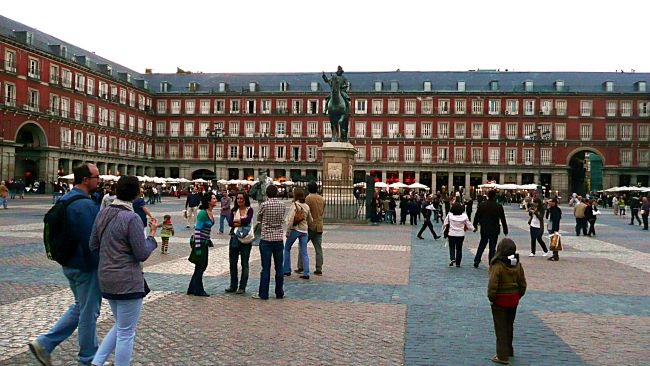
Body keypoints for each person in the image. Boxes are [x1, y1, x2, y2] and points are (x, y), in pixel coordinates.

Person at [29, 163, 101, 366]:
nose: (99, 180)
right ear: (85, 180)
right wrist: (99, 265)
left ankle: (45, 343)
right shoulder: (84, 205)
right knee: (89, 313)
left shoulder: (66, 199)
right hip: (84, 266)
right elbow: (91, 241)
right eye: (96, 177)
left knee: (80, 307)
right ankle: (89, 358)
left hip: (68, 262)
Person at [89, 175, 158, 366]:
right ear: (136, 194)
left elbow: (93, 244)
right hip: (127, 280)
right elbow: (142, 252)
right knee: (127, 332)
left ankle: (97, 362)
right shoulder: (132, 218)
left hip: (106, 277)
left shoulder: (102, 213)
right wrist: (152, 236)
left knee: (121, 325)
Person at [487, 238, 527, 365]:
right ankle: (509, 350)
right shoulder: (517, 264)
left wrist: (492, 298)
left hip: (500, 300)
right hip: (513, 299)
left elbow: (493, 285)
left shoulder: (497, 265)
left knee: (501, 328)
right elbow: (523, 284)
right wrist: (517, 295)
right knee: (509, 325)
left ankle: (502, 355)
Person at [254, 185, 286, 300]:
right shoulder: (282, 205)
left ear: (267, 194)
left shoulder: (264, 205)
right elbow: (282, 218)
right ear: (277, 193)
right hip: (278, 238)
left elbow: (259, 218)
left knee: (265, 267)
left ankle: (264, 293)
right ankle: (279, 292)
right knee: (279, 267)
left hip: (266, 238)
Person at [187, 193, 217, 297]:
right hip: (200, 243)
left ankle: (191, 288)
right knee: (201, 266)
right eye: (213, 198)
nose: (215, 200)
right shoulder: (203, 213)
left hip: (205, 242)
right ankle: (199, 290)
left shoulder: (209, 212)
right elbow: (197, 230)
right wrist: (198, 247)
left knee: (200, 266)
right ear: (209, 201)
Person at [225, 192, 254, 294]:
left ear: (245, 199)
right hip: (234, 238)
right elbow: (230, 222)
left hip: (246, 239)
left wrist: (238, 221)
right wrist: (241, 221)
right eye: (238, 199)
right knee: (233, 263)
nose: (239, 200)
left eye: (241, 198)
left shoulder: (249, 209)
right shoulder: (234, 210)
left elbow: (248, 220)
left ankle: (242, 286)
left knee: (244, 263)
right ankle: (233, 285)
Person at [473, 190, 509, 268]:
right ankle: (491, 261)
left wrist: (475, 225)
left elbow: (477, 216)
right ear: (495, 196)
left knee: (482, 244)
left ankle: (477, 259)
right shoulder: (498, 206)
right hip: (494, 229)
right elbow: (503, 219)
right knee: (492, 246)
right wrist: (505, 230)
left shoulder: (482, 205)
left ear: (488, 196)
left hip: (484, 228)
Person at [283, 187, 314, 279]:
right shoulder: (306, 206)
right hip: (304, 231)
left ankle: (287, 270)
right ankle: (306, 273)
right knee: (304, 252)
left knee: (287, 248)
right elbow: (310, 220)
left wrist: (288, 231)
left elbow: (291, 219)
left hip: (295, 229)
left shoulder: (295, 205)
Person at [296, 181, 325, 275]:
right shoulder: (322, 198)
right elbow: (322, 211)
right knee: (318, 249)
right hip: (319, 226)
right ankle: (319, 268)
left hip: (309, 226)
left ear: (308, 189)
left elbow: (305, 211)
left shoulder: (308, 198)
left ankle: (301, 266)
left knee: (302, 247)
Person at [444, 203, 474, 267]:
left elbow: (445, 223)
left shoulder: (450, 215)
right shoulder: (464, 216)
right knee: (459, 249)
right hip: (460, 234)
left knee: (451, 247)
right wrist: (473, 229)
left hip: (451, 233)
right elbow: (469, 224)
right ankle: (458, 263)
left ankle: (452, 258)